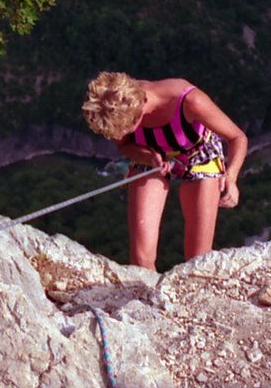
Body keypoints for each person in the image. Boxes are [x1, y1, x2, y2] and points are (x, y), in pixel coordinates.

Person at [82, 72, 248, 270]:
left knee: (198, 259)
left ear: (137, 113)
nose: (121, 134)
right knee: (141, 258)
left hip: (198, 153)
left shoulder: (190, 101)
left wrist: (231, 176)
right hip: (151, 154)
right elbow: (124, 145)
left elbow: (237, 138)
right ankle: (151, 298)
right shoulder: (117, 107)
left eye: (124, 129)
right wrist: (147, 157)